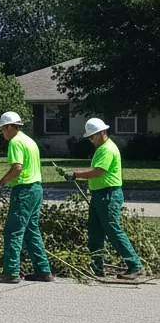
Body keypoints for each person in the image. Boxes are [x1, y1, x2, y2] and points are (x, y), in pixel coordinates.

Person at [59, 118, 143, 280]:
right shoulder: (102, 149)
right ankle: (97, 267)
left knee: (113, 230)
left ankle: (135, 265)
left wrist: (75, 174)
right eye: (89, 137)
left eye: (93, 136)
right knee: (95, 233)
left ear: (103, 133)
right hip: (100, 194)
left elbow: (99, 171)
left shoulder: (107, 149)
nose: (91, 140)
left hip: (108, 195)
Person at [0, 111, 53, 283]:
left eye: (3, 129)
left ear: (9, 127)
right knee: (32, 231)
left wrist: (1, 183)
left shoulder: (15, 142)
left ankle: (10, 272)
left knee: (13, 231)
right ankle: (43, 270)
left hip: (24, 191)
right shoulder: (29, 141)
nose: (3, 132)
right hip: (36, 189)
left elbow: (17, 168)